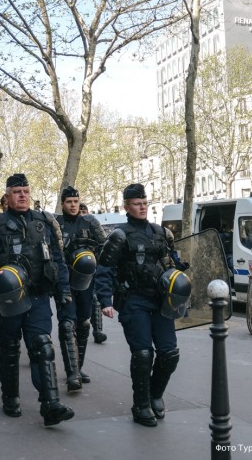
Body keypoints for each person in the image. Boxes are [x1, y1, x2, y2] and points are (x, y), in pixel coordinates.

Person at [0, 173, 74, 426]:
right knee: (9, 349)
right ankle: (10, 396)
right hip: (8, 300)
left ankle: (50, 404)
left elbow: (57, 259)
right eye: (17, 192)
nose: (23, 196)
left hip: (38, 295)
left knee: (43, 346)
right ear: (7, 197)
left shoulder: (45, 222)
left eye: (26, 191)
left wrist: (63, 290)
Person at [97, 183, 188, 427]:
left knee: (169, 353)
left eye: (145, 203)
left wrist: (181, 288)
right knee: (143, 354)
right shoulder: (119, 235)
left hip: (161, 301)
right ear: (127, 207)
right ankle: (141, 405)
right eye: (137, 204)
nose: (142, 207)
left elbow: (173, 265)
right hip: (134, 301)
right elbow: (104, 269)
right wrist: (105, 300)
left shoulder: (161, 233)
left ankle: (155, 394)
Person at [55, 186, 110, 392]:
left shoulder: (91, 222)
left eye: (76, 202)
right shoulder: (56, 224)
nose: (73, 205)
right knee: (67, 324)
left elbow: (105, 250)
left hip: (87, 281)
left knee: (83, 324)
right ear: (63, 204)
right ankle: (72, 373)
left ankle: (79, 367)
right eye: (69, 202)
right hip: (65, 280)